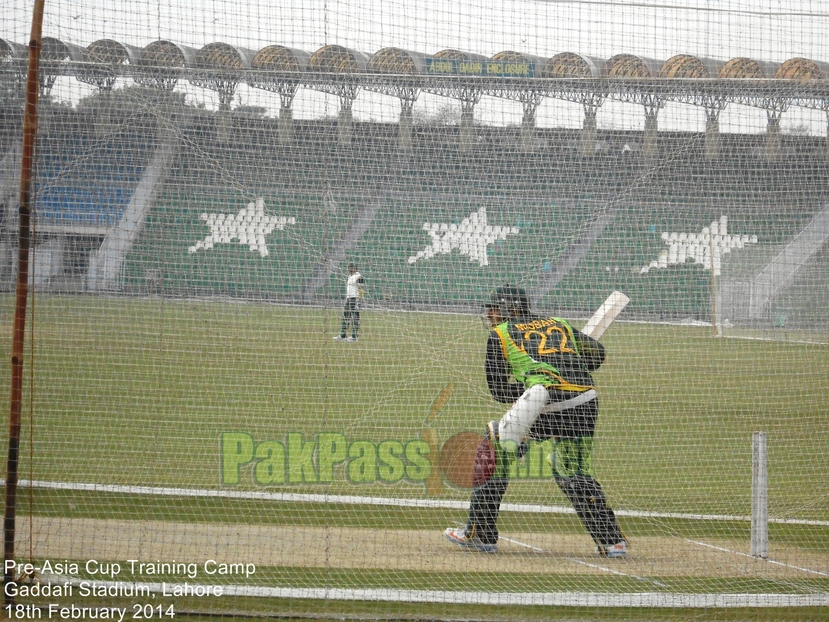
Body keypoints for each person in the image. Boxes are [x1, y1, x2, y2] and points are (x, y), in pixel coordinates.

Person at [444, 284, 628, 557]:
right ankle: (612, 541)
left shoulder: (501, 335)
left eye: (494, 309)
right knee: (571, 470)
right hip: (585, 401)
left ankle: (479, 532)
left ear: (510, 309)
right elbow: (598, 354)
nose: (490, 315)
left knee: (494, 449)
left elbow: (498, 391)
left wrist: (532, 385)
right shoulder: (559, 324)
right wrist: (569, 364)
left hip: (546, 404)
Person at [334, 264, 365, 342]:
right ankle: (342, 335)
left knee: (355, 317)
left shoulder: (358, 277)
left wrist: (359, 301)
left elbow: (361, 288)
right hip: (349, 298)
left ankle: (354, 337)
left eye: (352, 268)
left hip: (355, 299)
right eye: (349, 268)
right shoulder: (350, 276)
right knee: (346, 316)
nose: (350, 269)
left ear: (355, 269)